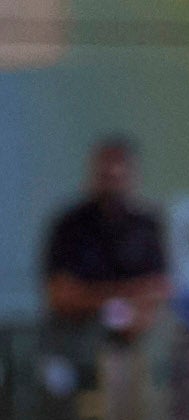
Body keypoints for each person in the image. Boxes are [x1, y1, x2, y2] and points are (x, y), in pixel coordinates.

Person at [41, 135, 167, 330]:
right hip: (78, 331)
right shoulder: (69, 225)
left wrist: (98, 296)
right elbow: (60, 295)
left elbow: (159, 288)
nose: (112, 180)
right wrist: (118, 302)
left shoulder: (147, 225)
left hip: (135, 330)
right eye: (105, 175)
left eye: (118, 175)